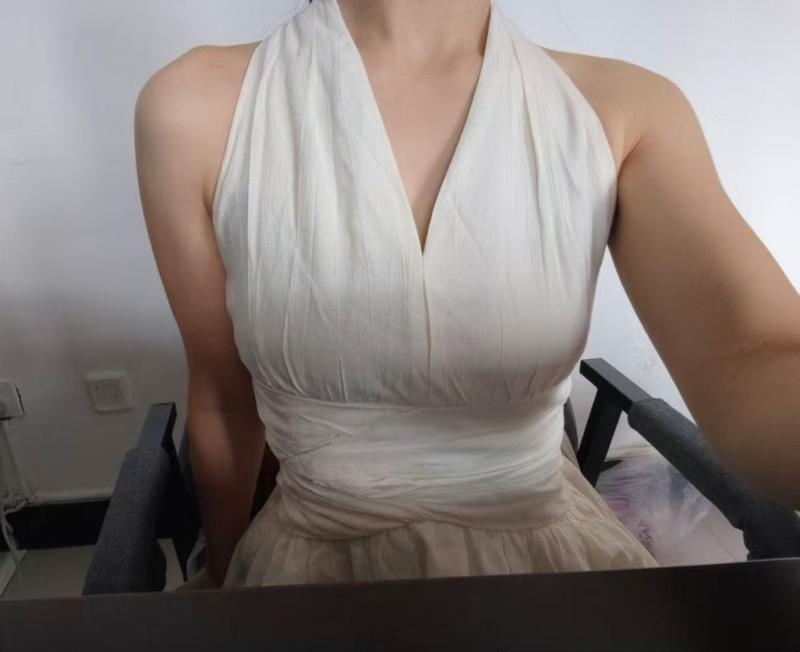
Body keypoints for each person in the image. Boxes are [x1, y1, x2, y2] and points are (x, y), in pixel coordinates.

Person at [134, 0, 800, 590]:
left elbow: (753, 350)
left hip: (551, 562)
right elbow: (222, 394)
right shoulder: (192, 108)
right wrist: (224, 575)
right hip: (310, 565)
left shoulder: (625, 111)